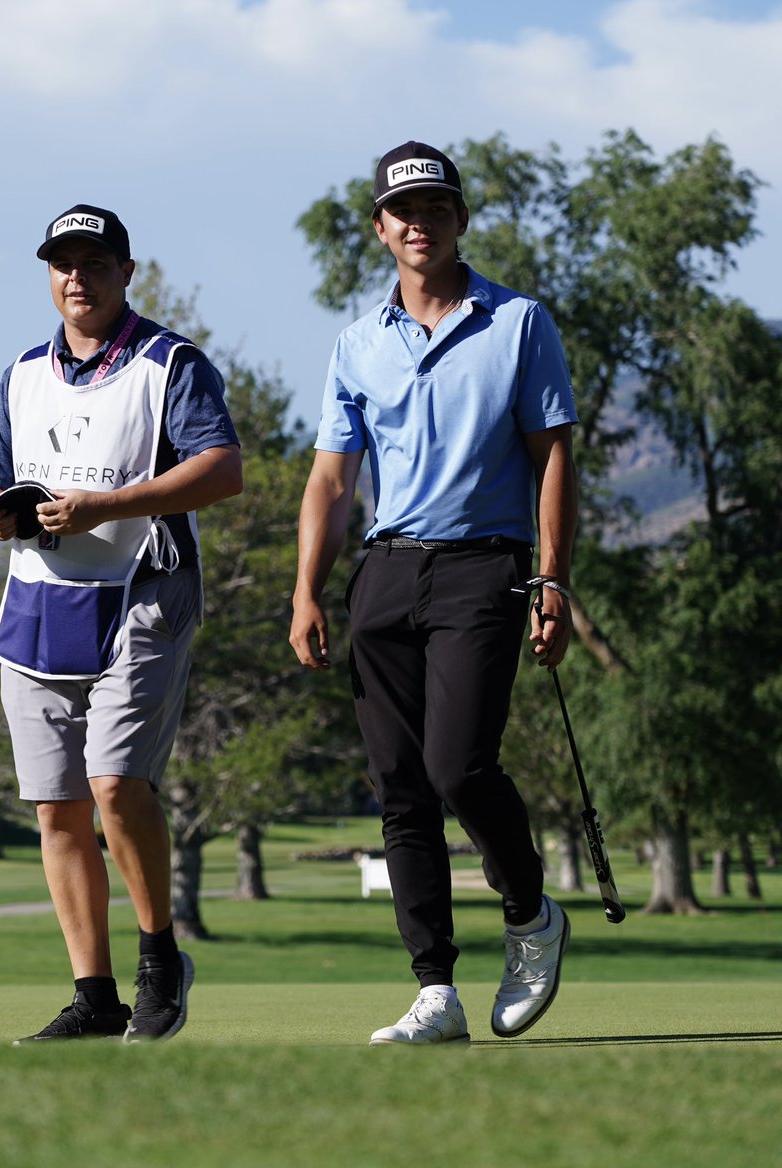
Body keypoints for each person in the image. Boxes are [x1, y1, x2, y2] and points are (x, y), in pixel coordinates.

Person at [290, 142, 578, 1045]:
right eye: (402, 210)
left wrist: (554, 577)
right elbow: (332, 483)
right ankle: (435, 990)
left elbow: (554, 456)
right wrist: (307, 592)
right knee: (401, 789)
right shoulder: (355, 344)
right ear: (381, 229)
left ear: (460, 220)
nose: (420, 222)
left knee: (460, 766)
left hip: (482, 569)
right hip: (382, 575)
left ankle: (530, 913)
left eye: (436, 207)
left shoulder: (518, 322)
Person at [0, 204, 242, 1044]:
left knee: (116, 785)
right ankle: (95, 994)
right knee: (56, 808)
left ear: (128, 272)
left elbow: (221, 468)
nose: (76, 278)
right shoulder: (23, 372)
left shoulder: (170, 364)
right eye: (62, 264)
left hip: (147, 585)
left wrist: (106, 506)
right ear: (50, 275)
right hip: (41, 600)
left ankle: (161, 957)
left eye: (94, 263)